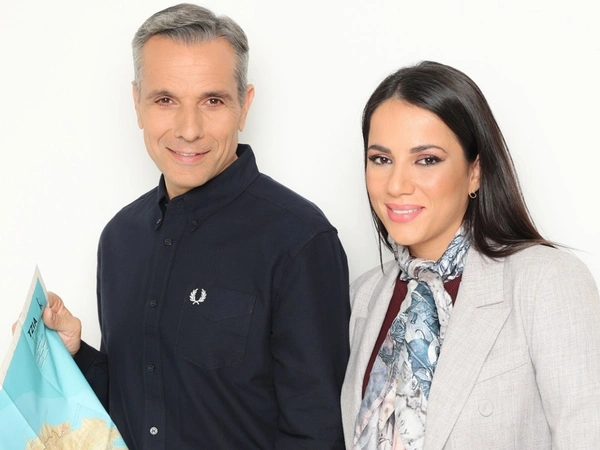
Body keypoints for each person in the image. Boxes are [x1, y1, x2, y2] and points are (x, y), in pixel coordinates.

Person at [41, 4, 350, 449]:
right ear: (137, 104)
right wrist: (74, 355)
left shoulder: (299, 241)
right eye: (165, 100)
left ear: (244, 106)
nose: (189, 129)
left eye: (213, 101)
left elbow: (317, 433)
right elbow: (134, 405)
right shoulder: (119, 238)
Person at [340, 61, 600, 449]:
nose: (396, 185)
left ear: (475, 171)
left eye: (427, 159)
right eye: (381, 159)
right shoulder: (365, 295)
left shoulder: (545, 281)